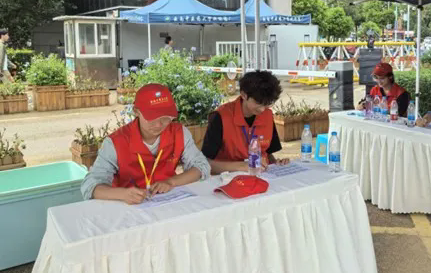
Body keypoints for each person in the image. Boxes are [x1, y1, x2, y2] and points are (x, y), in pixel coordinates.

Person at [81, 83, 210, 204]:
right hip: (127, 205)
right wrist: (122, 194)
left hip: (167, 201)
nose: (159, 124)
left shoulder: (179, 133)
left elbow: (201, 166)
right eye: (152, 118)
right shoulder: (116, 142)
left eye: (166, 118)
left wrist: (171, 182)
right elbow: (90, 185)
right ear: (136, 111)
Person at [202, 70, 289, 174]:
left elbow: (268, 154)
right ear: (243, 95)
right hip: (228, 178)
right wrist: (242, 166)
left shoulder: (268, 115)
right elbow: (205, 164)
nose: (262, 109)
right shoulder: (220, 117)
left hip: (261, 176)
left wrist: (275, 164)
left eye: (267, 104)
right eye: (258, 102)